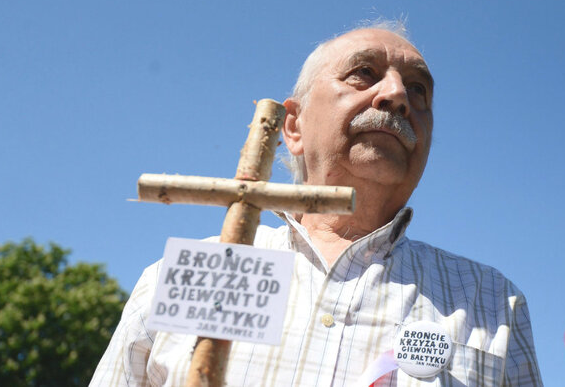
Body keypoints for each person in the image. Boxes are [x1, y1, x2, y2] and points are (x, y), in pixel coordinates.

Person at [91, 21, 542, 386]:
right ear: (293, 127)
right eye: (363, 73)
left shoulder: (492, 301)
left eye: (418, 90)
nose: (398, 95)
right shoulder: (182, 276)